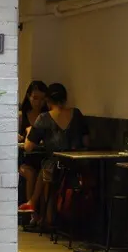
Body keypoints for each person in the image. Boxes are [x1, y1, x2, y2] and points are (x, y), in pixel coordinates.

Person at [19, 83, 89, 224]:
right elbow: (86, 141)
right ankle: (41, 211)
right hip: (78, 166)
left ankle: (34, 204)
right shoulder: (76, 114)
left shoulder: (44, 118)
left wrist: (28, 132)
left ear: (48, 100)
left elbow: (28, 147)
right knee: (47, 170)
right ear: (65, 99)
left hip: (56, 168)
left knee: (47, 168)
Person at [18, 81, 49, 201]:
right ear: (28, 96)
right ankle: (29, 208)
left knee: (46, 173)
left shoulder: (46, 117)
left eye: (42, 99)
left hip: (41, 157)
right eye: (35, 98)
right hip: (23, 159)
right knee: (30, 174)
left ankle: (40, 208)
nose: (38, 102)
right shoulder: (21, 116)